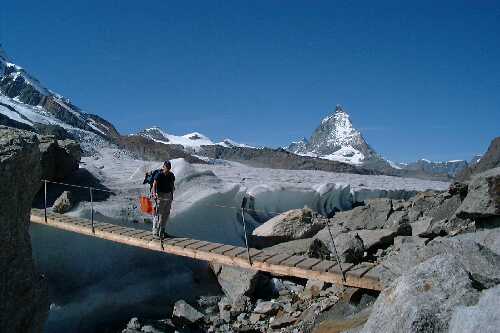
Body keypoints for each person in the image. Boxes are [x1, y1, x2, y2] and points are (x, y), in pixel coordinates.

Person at [152, 160, 175, 237]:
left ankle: (162, 231)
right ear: (163, 166)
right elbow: (154, 185)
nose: (168, 168)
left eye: (169, 167)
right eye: (166, 166)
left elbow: (172, 186)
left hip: (168, 196)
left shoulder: (171, 175)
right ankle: (155, 231)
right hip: (160, 195)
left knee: (166, 214)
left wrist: (171, 195)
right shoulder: (159, 175)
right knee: (158, 213)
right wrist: (154, 194)